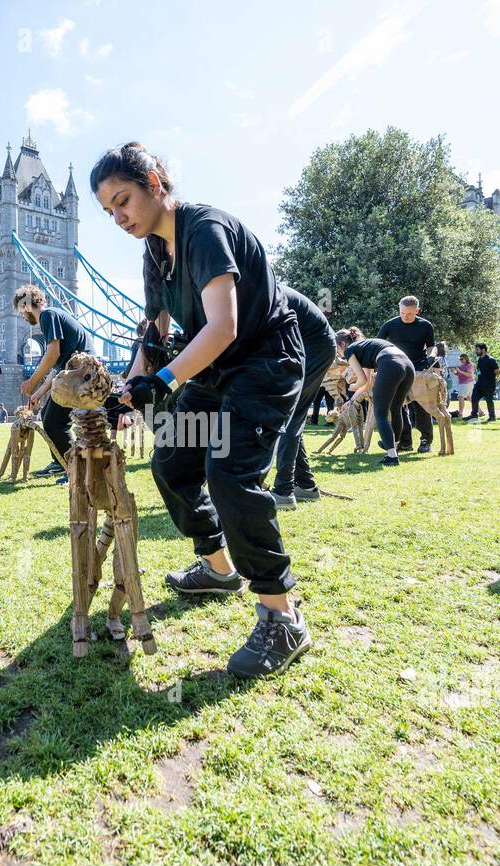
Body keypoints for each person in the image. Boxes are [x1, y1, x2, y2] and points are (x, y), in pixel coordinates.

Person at [93, 141, 308, 678]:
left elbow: (223, 327)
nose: (118, 218)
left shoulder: (204, 229)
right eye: (108, 211)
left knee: (230, 471)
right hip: (214, 372)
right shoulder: (153, 253)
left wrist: (162, 380)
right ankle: (219, 569)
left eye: (123, 201)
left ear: (156, 184)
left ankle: (282, 616)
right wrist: (133, 383)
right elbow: (155, 330)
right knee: (172, 463)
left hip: (263, 363)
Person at [269, 287, 336, 508]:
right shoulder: (253, 286)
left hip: (315, 346)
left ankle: (283, 492)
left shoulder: (257, 288)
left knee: (289, 415)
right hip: (307, 344)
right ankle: (305, 486)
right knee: (291, 416)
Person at [15, 285, 92, 478]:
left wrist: (32, 380)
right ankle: (60, 462)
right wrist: (37, 394)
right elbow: (58, 367)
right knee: (49, 417)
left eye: (21, 312)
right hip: (75, 374)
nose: (22, 317)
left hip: (83, 375)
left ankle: (75, 469)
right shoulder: (53, 316)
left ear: (26, 306)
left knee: (55, 422)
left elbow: (52, 354)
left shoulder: (48, 316)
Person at [334, 328, 415, 467]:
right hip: (408, 365)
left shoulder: (349, 350)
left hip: (390, 364)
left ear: (342, 344)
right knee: (396, 408)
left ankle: (391, 455)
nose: (340, 355)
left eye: (337, 350)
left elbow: (361, 380)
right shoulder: (366, 346)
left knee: (380, 413)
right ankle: (392, 447)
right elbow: (368, 383)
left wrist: (352, 386)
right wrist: (352, 400)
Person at [377, 295, 435, 452]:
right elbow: (378, 344)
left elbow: (431, 346)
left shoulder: (425, 325)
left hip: (418, 369)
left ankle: (425, 441)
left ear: (417, 310)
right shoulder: (389, 325)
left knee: (421, 405)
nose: (405, 316)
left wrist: (431, 357)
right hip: (396, 369)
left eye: (409, 313)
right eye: (402, 312)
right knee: (397, 406)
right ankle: (405, 442)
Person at [464, 343, 499, 421]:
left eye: (477, 350)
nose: (476, 351)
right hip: (479, 384)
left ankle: (492, 417)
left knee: (489, 400)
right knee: (474, 397)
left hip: (488, 384)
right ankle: (474, 415)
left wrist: (493, 379)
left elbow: (497, 371)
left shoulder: (491, 360)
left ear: (483, 350)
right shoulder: (479, 359)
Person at [453, 348, 475, 419]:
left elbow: (469, 375)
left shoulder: (469, 365)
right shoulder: (462, 366)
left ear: (466, 359)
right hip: (463, 383)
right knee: (469, 398)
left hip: (468, 383)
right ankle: (480, 412)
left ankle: (460, 413)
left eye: (462, 359)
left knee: (460, 397)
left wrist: (459, 370)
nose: (461, 360)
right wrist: (454, 372)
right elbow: (459, 374)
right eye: (460, 359)